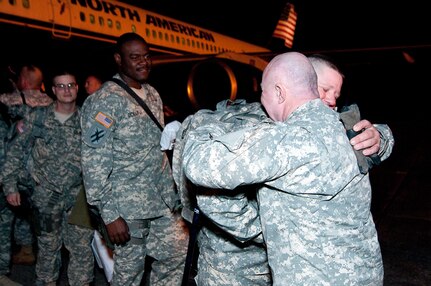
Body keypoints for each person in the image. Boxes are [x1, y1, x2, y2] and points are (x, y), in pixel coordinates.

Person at [182, 52, 384, 285]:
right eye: (325, 89)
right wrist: (383, 137)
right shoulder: (343, 127)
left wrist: (202, 126)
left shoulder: (282, 138)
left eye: (264, 92)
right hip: (362, 272)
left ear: (279, 92)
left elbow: (199, 166)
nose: (331, 101)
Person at [80, 32, 188, 286]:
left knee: (177, 254)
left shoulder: (152, 94)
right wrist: (109, 214)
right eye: (135, 57)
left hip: (160, 201)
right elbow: (93, 162)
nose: (143, 62)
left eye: (147, 56)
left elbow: (158, 150)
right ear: (119, 59)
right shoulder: (105, 101)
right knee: (128, 275)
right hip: (126, 207)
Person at [0, 70, 94, 286]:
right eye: (61, 86)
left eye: (70, 85)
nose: (66, 90)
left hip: (79, 197)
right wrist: (10, 185)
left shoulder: (86, 121)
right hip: (45, 196)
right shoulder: (38, 117)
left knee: (81, 249)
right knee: (47, 248)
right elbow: (16, 151)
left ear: (77, 88)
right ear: (53, 90)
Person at [172, 99, 271, 286]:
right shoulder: (262, 126)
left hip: (219, 251)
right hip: (238, 260)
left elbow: (182, 183)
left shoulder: (198, 121)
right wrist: (265, 231)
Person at [0, 64, 54, 267]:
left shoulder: (13, 100)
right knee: (39, 213)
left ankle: (21, 251)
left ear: (23, 81)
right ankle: (33, 251)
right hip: (42, 170)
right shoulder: (51, 102)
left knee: (11, 209)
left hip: (18, 167)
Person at [308, 54, 394, 159]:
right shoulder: (283, 130)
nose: (332, 101)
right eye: (325, 90)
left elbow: (382, 136)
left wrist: (377, 138)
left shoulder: (338, 125)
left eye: (336, 96)